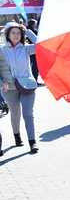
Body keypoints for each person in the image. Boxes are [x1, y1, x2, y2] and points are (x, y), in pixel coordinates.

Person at [0, 22, 39, 154]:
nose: (16, 35)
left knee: (28, 114)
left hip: (27, 85)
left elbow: (41, 45)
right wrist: (2, 82)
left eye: (18, 33)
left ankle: (32, 142)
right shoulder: (1, 49)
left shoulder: (26, 48)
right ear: (8, 34)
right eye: (13, 33)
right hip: (9, 88)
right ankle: (17, 136)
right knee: (15, 113)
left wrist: (27, 31)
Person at [26, 19, 39, 83]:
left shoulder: (27, 31)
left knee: (32, 66)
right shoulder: (34, 31)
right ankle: (35, 80)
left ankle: (34, 80)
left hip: (31, 50)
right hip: (34, 52)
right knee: (35, 67)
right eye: (35, 24)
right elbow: (38, 42)